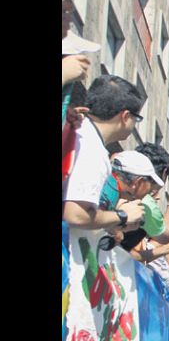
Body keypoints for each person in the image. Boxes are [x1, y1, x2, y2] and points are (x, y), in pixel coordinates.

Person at [62, 75, 147, 231]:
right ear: (126, 116)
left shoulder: (76, 128)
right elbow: (76, 215)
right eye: (137, 118)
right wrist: (123, 215)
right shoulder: (93, 149)